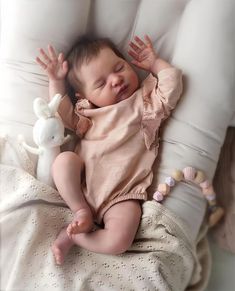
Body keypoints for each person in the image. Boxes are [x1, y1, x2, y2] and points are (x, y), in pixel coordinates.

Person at [36, 35, 183, 265]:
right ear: (84, 97)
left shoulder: (144, 103)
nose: (115, 80)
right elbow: (60, 111)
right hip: (83, 184)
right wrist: (56, 80)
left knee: (119, 241)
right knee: (63, 161)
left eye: (119, 67)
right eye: (101, 83)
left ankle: (75, 237)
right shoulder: (87, 115)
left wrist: (155, 63)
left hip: (122, 194)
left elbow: (172, 83)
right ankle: (80, 210)